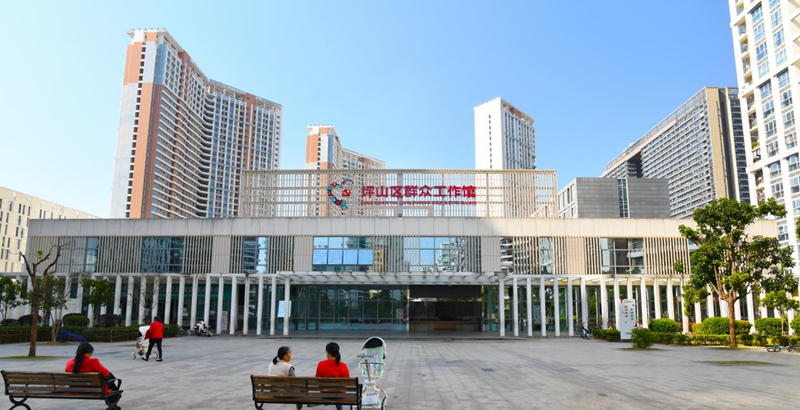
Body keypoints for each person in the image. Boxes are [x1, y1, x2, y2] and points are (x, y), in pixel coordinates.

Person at [315, 342, 350, 410]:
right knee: (339, 391)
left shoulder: (321, 364)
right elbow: (347, 381)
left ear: (328, 353)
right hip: (339, 394)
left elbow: (317, 380)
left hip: (325, 394)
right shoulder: (342, 365)